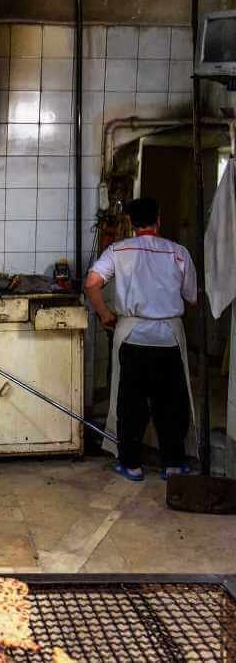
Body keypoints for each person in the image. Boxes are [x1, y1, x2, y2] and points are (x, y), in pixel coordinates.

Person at [85, 197, 197, 483]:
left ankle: (131, 464)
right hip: (168, 337)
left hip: (132, 334)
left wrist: (105, 314)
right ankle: (172, 464)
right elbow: (191, 297)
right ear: (158, 219)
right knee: (171, 402)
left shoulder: (118, 250)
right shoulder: (178, 252)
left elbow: (92, 284)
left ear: (131, 223)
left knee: (130, 402)